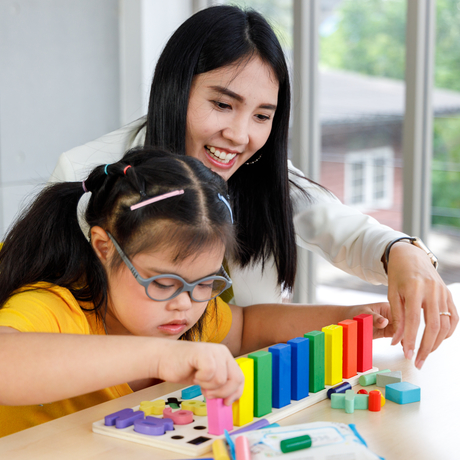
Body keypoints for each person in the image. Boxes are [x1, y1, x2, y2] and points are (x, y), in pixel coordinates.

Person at [49, 5, 457, 371]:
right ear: (176, 90)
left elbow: (346, 231)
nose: (239, 135)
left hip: (244, 392)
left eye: (262, 115)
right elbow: (54, 333)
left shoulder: (261, 173)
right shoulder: (88, 173)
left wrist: (404, 253)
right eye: (223, 105)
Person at [0, 148, 391, 437]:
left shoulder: (186, 314)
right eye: (163, 282)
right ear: (104, 248)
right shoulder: (56, 306)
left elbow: (249, 325)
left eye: (205, 284)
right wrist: (159, 357)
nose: (185, 304)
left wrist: (349, 316)